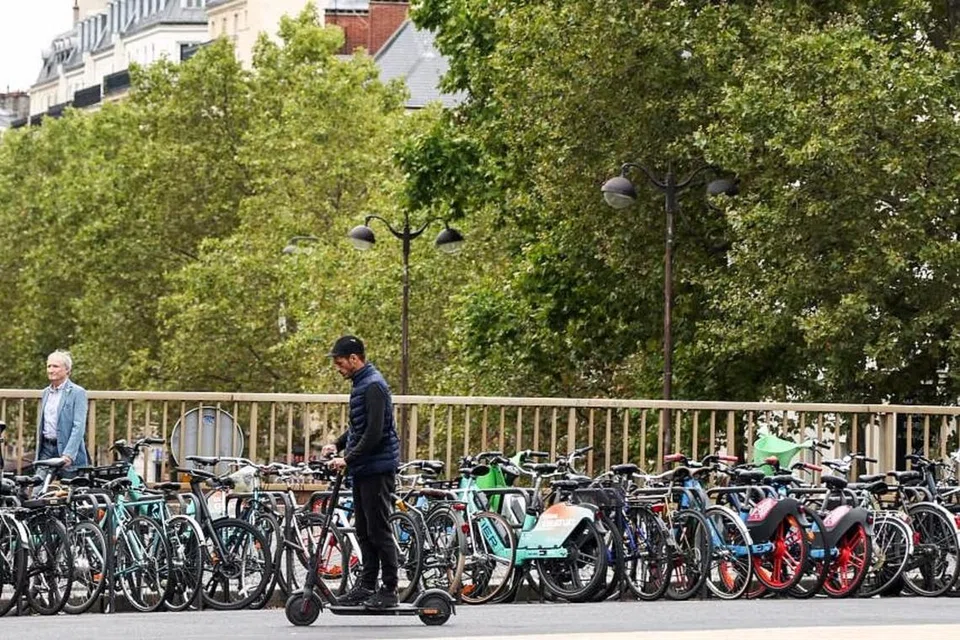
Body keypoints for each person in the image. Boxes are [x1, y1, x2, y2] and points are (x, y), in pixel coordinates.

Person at [321, 335, 401, 609]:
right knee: (364, 530)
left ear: (354, 359)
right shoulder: (362, 384)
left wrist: (347, 458)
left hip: (377, 468)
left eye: (340, 362)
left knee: (379, 529)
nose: (338, 368)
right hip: (363, 468)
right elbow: (359, 428)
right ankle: (366, 586)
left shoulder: (374, 386)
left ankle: (389, 589)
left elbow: (375, 433)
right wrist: (337, 444)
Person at [34, 350, 89, 479]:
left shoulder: (77, 393)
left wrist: (68, 454)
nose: (51, 370)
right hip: (46, 449)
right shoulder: (46, 392)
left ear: (67, 370)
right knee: (38, 488)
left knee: (71, 489)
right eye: (49, 366)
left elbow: (79, 426)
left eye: (55, 366)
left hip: (67, 451)